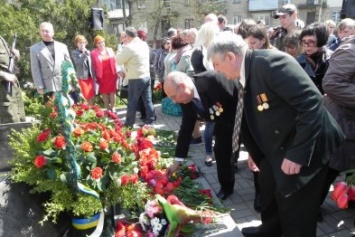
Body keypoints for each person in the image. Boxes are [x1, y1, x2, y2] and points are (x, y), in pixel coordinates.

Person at [208, 31, 344, 237]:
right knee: (269, 188)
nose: (216, 70)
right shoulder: (243, 71)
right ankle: (269, 231)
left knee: (296, 207)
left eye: (216, 64)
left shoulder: (272, 64)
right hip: (280, 144)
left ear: (230, 57)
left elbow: (312, 104)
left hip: (307, 144)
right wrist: (254, 152)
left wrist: (297, 154)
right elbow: (250, 114)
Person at [165, 70, 237, 201]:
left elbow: (236, 97)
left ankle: (260, 193)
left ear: (182, 86)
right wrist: (177, 161)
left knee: (255, 155)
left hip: (240, 119)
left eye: (174, 96)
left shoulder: (211, 80)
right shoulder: (185, 100)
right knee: (221, 151)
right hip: (222, 125)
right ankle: (226, 187)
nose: (174, 101)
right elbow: (185, 130)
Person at [320, 35, 355, 215]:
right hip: (342, 123)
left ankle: (350, 197)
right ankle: (312, 206)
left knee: (351, 169)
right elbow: (331, 83)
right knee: (329, 170)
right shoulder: (351, 50)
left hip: (349, 123)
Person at [191, 22, 220, 167]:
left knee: (211, 123)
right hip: (211, 94)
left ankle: (210, 152)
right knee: (211, 123)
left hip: (204, 92)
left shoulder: (196, 50)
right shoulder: (204, 51)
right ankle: (209, 153)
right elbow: (213, 71)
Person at [116, 27, 155, 127]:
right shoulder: (144, 44)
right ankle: (150, 120)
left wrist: (121, 48)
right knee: (148, 100)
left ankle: (129, 124)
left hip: (135, 78)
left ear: (128, 37)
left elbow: (118, 61)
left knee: (132, 102)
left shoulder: (129, 47)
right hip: (146, 76)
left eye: (125, 37)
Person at [30, 22, 72, 103]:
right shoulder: (34, 49)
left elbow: (69, 66)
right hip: (47, 85)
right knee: (51, 112)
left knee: (65, 109)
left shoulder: (63, 46)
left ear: (53, 32)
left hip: (63, 83)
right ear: (40, 32)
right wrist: (39, 86)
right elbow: (35, 69)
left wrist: (72, 82)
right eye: (42, 31)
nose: (45, 33)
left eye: (47, 31)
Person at [297, 22, 332, 95]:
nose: (306, 45)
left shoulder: (333, 59)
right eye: (303, 42)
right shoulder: (298, 61)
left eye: (311, 42)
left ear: (321, 41)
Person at [0, 34, 25, 124]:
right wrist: (3, 75)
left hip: (11, 85)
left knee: (19, 118)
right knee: (9, 121)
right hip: (3, 88)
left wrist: (14, 55)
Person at [91, 35, 118, 111]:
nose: (101, 44)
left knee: (113, 91)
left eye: (102, 42)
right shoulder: (93, 53)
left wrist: (118, 71)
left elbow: (115, 61)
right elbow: (92, 65)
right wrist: (94, 76)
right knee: (104, 92)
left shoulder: (110, 50)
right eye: (99, 43)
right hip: (101, 76)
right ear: (96, 44)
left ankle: (113, 107)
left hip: (112, 74)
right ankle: (107, 108)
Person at [71, 35, 95, 106]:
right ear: (77, 44)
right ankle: (85, 110)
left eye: (83, 42)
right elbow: (78, 63)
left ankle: (91, 110)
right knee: (84, 96)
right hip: (82, 78)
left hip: (90, 77)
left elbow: (92, 65)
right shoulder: (74, 53)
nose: (82, 44)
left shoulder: (88, 52)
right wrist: (84, 54)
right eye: (80, 43)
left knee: (91, 96)